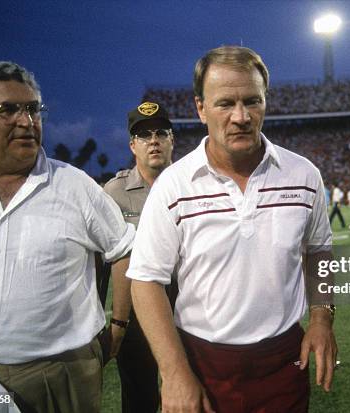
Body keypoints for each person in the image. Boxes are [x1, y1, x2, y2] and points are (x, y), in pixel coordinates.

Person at [127, 46, 336, 413]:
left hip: (283, 360)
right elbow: (145, 281)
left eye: (252, 101)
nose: (241, 117)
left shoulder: (304, 176)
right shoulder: (175, 185)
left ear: (265, 102)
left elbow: (318, 250)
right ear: (200, 108)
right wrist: (174, 373)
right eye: (225, 103)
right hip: (201, 360)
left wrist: (321, 316)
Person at [0, 61, 135, 412]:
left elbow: (125, 249)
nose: (26, 121)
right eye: (8, 110)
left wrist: (119, 324)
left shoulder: (75, 186)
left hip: (61, 374)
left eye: (33, 109)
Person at [103, 101, 175, 413]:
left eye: (161, 132)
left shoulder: (193, 185)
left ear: (173, 140)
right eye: (144, 135)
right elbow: (103, 260)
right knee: (139, 399)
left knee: (192, 393)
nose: (154, 140)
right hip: (134, 310)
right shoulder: (114, 192)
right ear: (133, 145)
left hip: (188, 308)